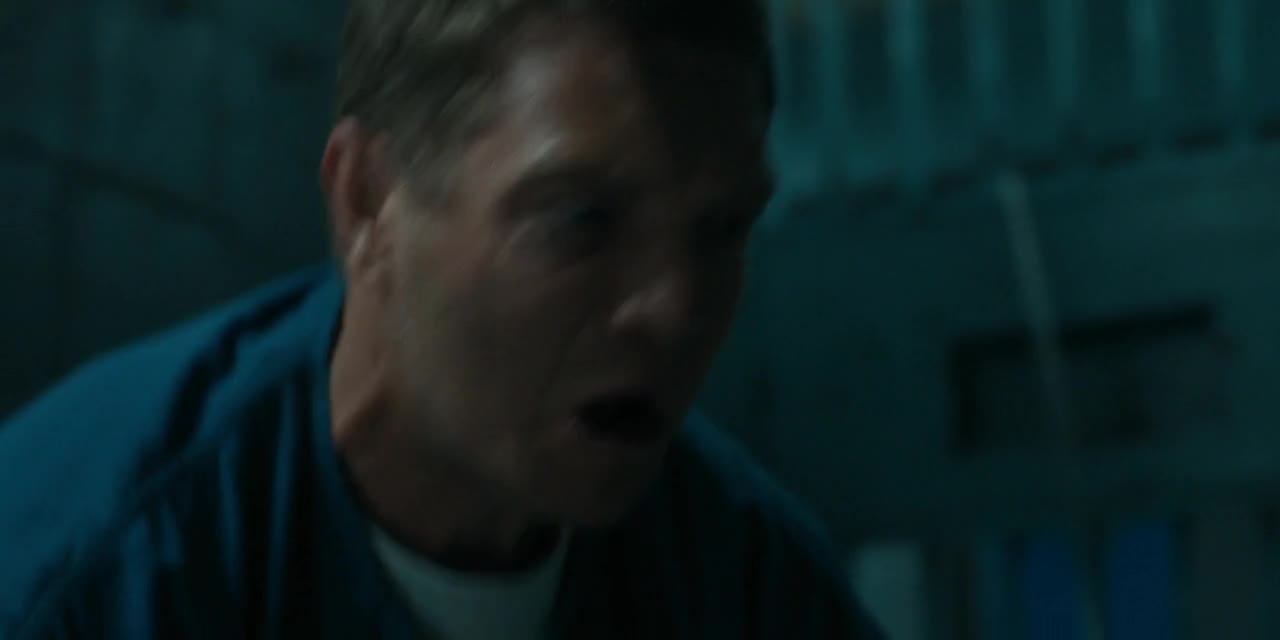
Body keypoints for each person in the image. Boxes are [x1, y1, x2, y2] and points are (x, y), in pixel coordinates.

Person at [0, 1, 883, 638]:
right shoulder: (92, 581)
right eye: (580, 221)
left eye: (719, 231)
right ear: (366, 202)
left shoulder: (752, 586)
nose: (676, 308)